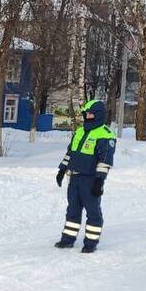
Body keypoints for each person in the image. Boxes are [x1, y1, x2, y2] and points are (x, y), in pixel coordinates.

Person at [55, 100, 115, 254]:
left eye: (90, 114)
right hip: (74, 178)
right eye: (86, 114)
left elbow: (105, 160)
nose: (87, 116)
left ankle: (91, 242)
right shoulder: (80, 131)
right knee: (72, 210)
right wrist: (62, 170)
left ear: (98, 115)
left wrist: (99, 181)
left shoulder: (105, 134)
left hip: (90, 180)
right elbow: (70, 153)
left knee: (93, 212)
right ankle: (67, 239)